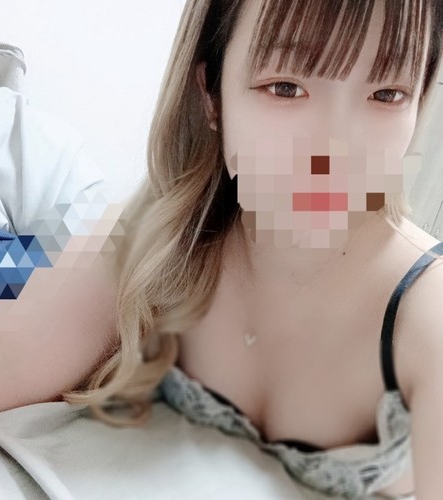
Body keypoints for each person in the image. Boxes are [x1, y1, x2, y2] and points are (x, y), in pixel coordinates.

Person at [59, 1, 443, 498]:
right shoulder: (159, 233)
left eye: (387, 94)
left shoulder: (427, 313)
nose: (334, 151)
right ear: (211, 94)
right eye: (285, 88)